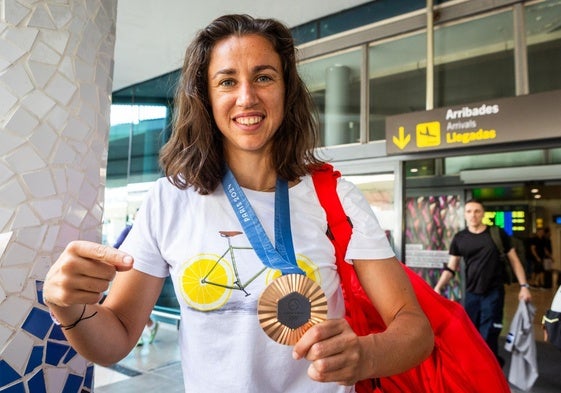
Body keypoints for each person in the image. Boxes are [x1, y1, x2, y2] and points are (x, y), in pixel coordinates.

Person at [43, 14, 433, 392]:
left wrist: (368, 354)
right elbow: (116, 339)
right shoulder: (170, 200)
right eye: (227, 81)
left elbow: (414, 328)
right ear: (207, 98)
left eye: (264, 77)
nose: (247, 97)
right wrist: (67, 307)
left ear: (286, 90)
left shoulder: (335, 197)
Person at [434, 199, 532, 366]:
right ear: (464, 215)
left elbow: (515, 261)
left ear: (483, 214)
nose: (473, 215)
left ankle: (490, 368)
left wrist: (524, 286)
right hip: (471, 294)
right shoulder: (460, 238)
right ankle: (475, 367)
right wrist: (437, 288)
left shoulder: (497, 234)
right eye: (469, 211)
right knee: (470, 333)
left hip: (493, 293)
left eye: (477, 211)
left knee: (489, 334)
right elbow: (452, 268)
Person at [113, 210, 159, 346]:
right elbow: (117, 247)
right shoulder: (130, 230)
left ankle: (144, 330)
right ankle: (144, 331)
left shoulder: (153, 233)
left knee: (136, 305)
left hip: (144, 274)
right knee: (131, 305)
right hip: (128, 272)